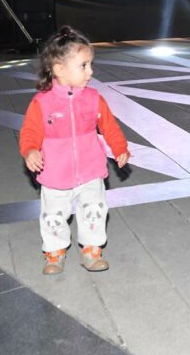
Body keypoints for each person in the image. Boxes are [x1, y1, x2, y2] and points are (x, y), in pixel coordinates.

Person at [19, 27, 131, 274]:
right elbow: (30, 132)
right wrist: (30, 150)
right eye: (83, 66)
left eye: (90, 65)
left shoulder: (93, 98)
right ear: (59, 69)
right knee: (53, 215)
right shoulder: (42, 102)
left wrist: (120, 147)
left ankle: (91, 250)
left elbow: (109, 126)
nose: (90, 72)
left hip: (90, 169)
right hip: (55, 172)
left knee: (94, 211)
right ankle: (55, 252)